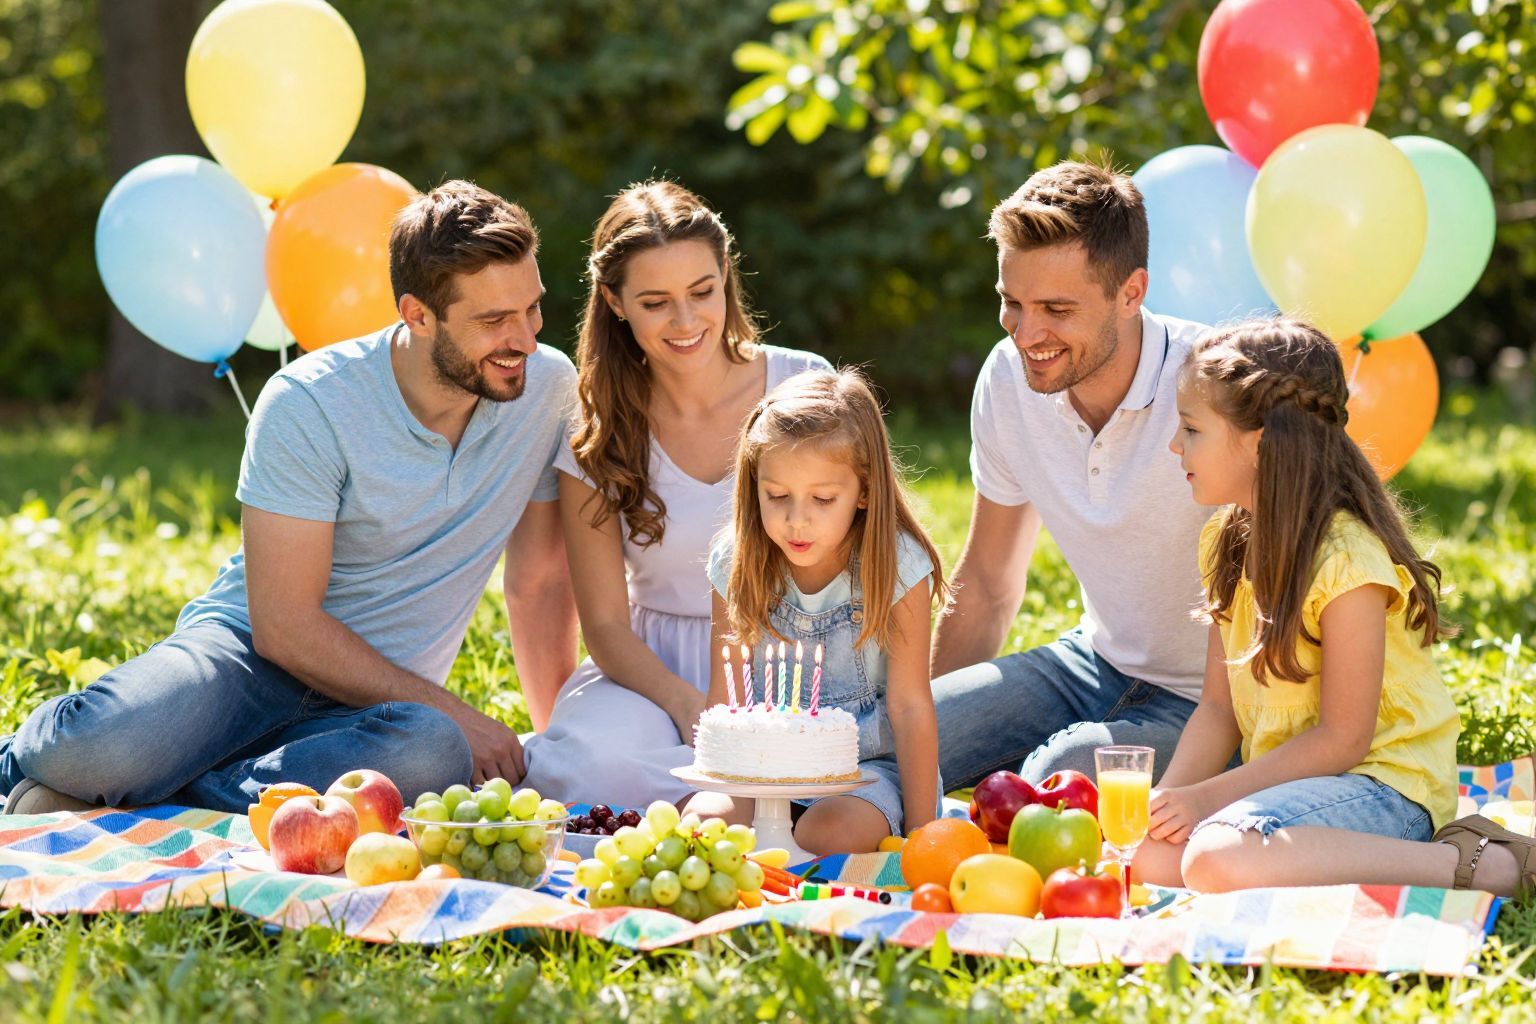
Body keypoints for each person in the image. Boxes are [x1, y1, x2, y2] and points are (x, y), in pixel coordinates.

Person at [0, 180, 578, 815]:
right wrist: (450, 706)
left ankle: (153, 792)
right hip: (245, 660)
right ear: (417, 315)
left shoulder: (545, 389)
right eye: (494, 321)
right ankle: (41, 768)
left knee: (433, 752)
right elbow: (284, 628)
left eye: (532, 310)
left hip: (380, 707)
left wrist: (559, 749)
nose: (524, 338)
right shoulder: (309, 401)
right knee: (89, 748)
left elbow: (544, 580)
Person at [1133, 318, 1533, 897]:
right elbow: (1219, 712)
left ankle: (1474, 865)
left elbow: (1344, 739)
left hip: (1386, 786)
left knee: (1214, 859)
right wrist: (1166, 803)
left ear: (1261, 440)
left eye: (1191, 428)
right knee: (1151, 859)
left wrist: (1212, 798)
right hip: (1295, 786)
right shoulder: (1224, 542)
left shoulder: (1347, 560)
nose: (1175, 444)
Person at [519, 181, 827, 806]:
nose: (686, 323)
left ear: (725, 279)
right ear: (615, 302)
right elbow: (604, 624)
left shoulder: (806, 385)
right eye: (656, 302)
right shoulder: (597, 429)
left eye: (702, 292)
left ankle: (736, 807)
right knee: (588, 768)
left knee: (816, 773)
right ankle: (712, 806)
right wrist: (690, 706)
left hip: (793, 656)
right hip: (650, 668)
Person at [931, 160, 1218, 792]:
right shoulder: (1007, 378)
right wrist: (924, 724)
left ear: (1131, 292)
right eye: (1012, 302)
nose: (1026, 333)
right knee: (893, 736)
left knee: (1061, 778)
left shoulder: (1216, 386)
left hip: (1220, 706)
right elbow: (985, 584)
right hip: (1094, 664)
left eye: (1056, 309)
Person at [687, 368, 947, 853]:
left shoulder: (898, 566)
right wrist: (715, 788)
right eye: (777, 496)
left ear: (864, 491)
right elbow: (724, 701)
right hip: (761, 769)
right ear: (754, 484)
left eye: (823, 499)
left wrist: (921, 836)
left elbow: (910, 707)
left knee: (824, 835)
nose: (795, 520)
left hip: (865, 774)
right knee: (700, 830)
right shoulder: (736, 561)